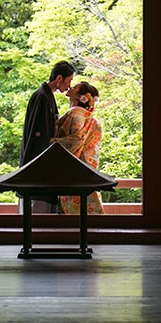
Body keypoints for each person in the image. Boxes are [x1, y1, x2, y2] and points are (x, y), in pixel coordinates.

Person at [19, 60, 75, 213]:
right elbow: (39, 136)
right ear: (59, 78)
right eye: (69, 81)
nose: (69, 86)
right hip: (37, 163)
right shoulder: (42, 97)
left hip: (41, 162)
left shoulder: (46, 96)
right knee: (36, 210)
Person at [52, 81, 105, 215]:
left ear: (80, 97)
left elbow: (76, 141)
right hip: (82, 166)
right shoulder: (80, 115)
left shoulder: (77, 116)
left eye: (75, 87)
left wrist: (52, 142)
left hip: (76, 166)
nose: (71, 87)